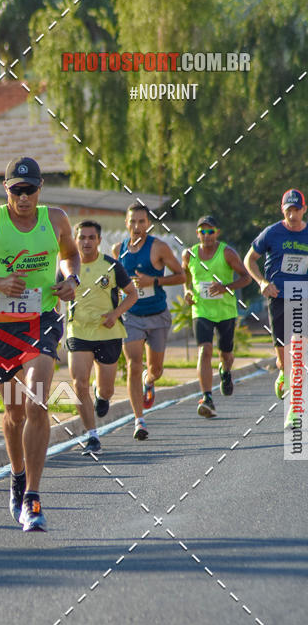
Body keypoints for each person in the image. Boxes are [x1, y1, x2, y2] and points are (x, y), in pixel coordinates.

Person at [0, 156, 80, 533]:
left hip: (43, 318)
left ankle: (33, 497)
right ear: (5, 189)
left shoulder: (56, 219)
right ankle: (18, 475)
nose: (24, 197)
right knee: (15, 412)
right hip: (0, 325)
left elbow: (70, 254)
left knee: (37, 400)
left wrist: (71, 279)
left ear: (40, 189)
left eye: (30, 190)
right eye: (17, 190)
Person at [112, 203, 186, 440]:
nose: (137, 226)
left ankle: (149, 380)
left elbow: (182, 276)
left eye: (141, 222)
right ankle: (139, 420)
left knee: (156, 370)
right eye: (132, 221)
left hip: (157, 315)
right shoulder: (118, 250)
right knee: (133, 364)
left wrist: (153, 281)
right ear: (126, 223)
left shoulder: (159, 247)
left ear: (148, 224)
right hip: (131, 316)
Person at [64, 220, 138, 454]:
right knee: (79, 383)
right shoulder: (67, 267)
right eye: (82, 237)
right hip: (78, 331)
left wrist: (115, 314)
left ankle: (101, 395)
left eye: (91, 237)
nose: (86, 242)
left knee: (107, 390)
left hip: (108, 332)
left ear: (98, 240)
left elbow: (132, 294)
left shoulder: (112, 266)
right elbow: (53, 295)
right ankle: (92, 436)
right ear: (75, 240)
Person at [244, 188, 308, 413]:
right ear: (282, 210)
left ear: (304, 209)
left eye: (296, 210)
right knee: (283, 360)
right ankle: (282, 372)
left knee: (297, 354)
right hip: (278, 297)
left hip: (302, 298)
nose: (292, 215)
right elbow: (249, 260)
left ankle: (295, 409)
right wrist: (262, 282)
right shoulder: (271, 233)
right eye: (288, 210)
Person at [182, 216, 251, 418]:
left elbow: (246, 277)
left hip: (225, 311)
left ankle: (225, 371)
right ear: (197, 234)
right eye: (202, 232)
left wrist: (225, 287)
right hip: (201, 310)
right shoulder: (189, 254)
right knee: (204, 350)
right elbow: (185, 275)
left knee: (226, 354)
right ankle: (207, 397)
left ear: (217, 233)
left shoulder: (227, 253)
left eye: (210, 231)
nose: (207, 236)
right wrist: (187, 291)